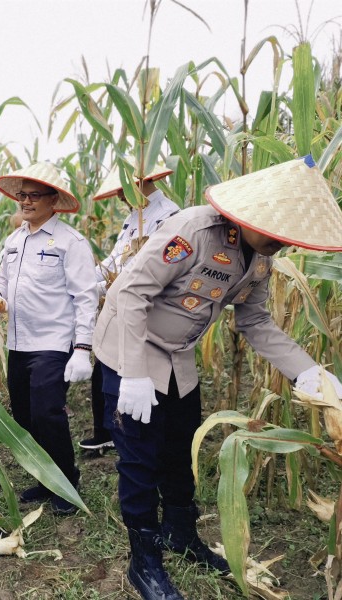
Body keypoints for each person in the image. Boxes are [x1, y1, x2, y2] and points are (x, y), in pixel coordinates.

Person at [93, 156, 342, 600]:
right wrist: (131, 374)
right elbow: (131, 293)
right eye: (275, 233)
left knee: (179, 448)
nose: (279, 244)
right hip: (130, 350)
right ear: (252, 214)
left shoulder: (261, 257)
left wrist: (309, 372)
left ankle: (180, 535)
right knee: (140, 457)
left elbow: (256, 322)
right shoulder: (193, 232)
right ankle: (144, 560)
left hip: (177, 359)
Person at [0, 162, 98, 515]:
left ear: (53, 200)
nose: (26, 201)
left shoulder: (71, 242)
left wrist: (82, 348)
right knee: (24, 416)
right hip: (18, 342)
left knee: (48, 413)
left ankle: (66, 480)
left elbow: (86, 296)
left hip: (53, 342)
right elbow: (2, 280)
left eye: (34, 195)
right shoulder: (14, 240)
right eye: (22, 195)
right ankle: (46, 478)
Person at [79, 163, 180, 453]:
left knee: (128, 370)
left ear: (144, 182)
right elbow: (115, 261)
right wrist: (86, 282)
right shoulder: (133, 219)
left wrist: (98, 289)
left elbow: (142, 272)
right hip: (117, 303)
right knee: (105, 369)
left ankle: (128, 437)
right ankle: (108, 430)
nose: (121, 196)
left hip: (145, 308)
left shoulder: (167, 217)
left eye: (124, 189)